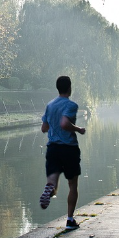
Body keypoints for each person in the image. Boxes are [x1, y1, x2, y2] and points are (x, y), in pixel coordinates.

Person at [39, 75, 86, 230]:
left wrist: (53, 127)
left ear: (57, 88)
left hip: (52, 148)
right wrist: (78, 129)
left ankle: (49, 189)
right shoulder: (71, 105)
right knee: (72, 184)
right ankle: (70, 220)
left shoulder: (50, 105)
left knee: (52, 183)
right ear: (69, 88)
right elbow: (65, 123)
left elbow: (44, 128)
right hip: (68, 148)